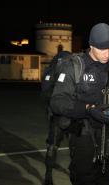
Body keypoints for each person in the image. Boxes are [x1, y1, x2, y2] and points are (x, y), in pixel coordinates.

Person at [50, 23, 109, 185]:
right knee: (84, 177)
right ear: (91, 45)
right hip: (84, 135)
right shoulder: (74, 65)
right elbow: (57, 101)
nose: (107, 53)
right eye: (102, 49)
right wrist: (87, 109)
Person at [41, 50, 71, 185]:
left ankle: (48, 175)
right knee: (76, 145)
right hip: (69, 114)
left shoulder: (49, 70)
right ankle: (74, 172)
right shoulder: (68, 69)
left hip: (55, 115)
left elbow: (45, 94)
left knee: (52, 146)